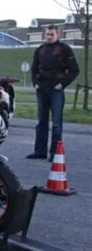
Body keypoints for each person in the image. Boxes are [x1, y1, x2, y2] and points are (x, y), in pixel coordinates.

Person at [27, 25, 79, 162]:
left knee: (56, 124)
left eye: (52, 35)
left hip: (56, 90)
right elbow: (34, 69)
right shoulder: (39, 50)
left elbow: (74, 70)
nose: (49, 37)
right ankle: (40, 152)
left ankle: (55, 153)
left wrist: (62, 84)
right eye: (47, 34)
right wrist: (35, 83)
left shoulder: (65, 50)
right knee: (41, 122)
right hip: (42, 90)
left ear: (58, 34)